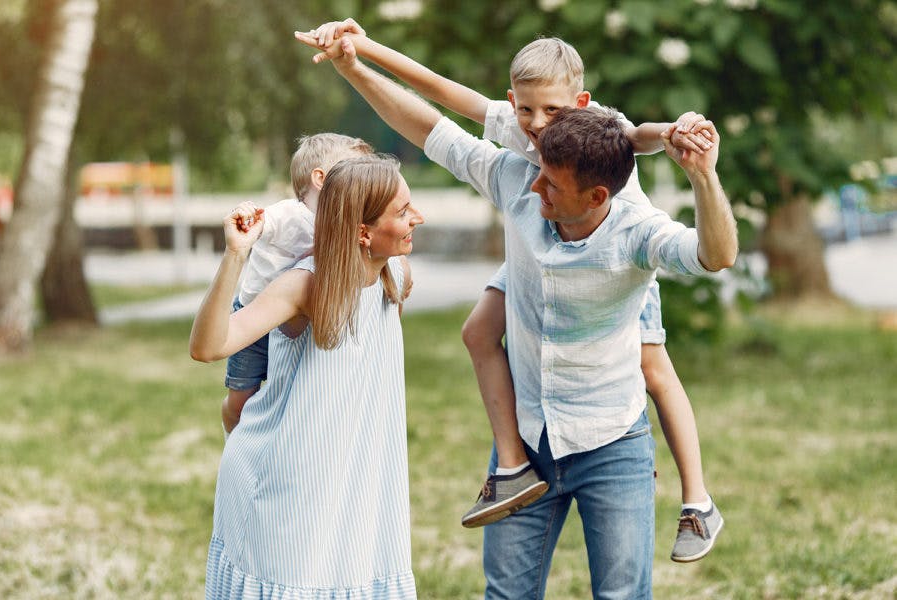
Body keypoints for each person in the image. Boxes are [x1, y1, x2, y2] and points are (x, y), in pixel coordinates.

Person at [295, 28, 737, 599]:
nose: (531, 186)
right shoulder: (518, 175)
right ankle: (511, 469)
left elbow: (714, 254)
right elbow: (433, 125)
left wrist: (702, 172)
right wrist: (354, 66)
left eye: (550, 184)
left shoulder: (635, 230)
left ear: (596, 197)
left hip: (611, 440)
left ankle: (697, 499)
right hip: (530, 436)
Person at [190, 154, 424, 598]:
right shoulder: (303, 286)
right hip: (285, 491)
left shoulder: (395, 273)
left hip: (355, 491)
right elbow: (207, 347)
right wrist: (236, 256)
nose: (419, 218)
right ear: (362, 231)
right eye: (403, 211)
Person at [220, 133, 373, 435]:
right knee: (241, 400)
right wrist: (251, 221)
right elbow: (265, 222)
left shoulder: (344, 222)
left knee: (286, 397)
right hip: (252, 318)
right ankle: (232, 432)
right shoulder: (291, 213)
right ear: (321, 178)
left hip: (289, 322)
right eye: (354, 170)